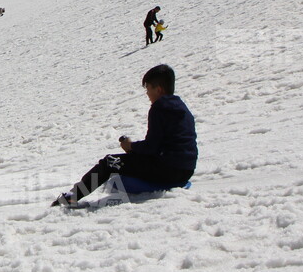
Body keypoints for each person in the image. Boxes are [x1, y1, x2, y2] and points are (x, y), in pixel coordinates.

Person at [52, 65, 197, 207]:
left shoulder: (159, 108)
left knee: (109, 162)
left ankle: (73, 196)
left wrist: (130, 146)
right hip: (186, 169)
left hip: (168, 169)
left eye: (148, 88)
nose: (147, 93)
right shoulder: (182, 107)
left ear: (158, 89)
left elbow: (152, 146)